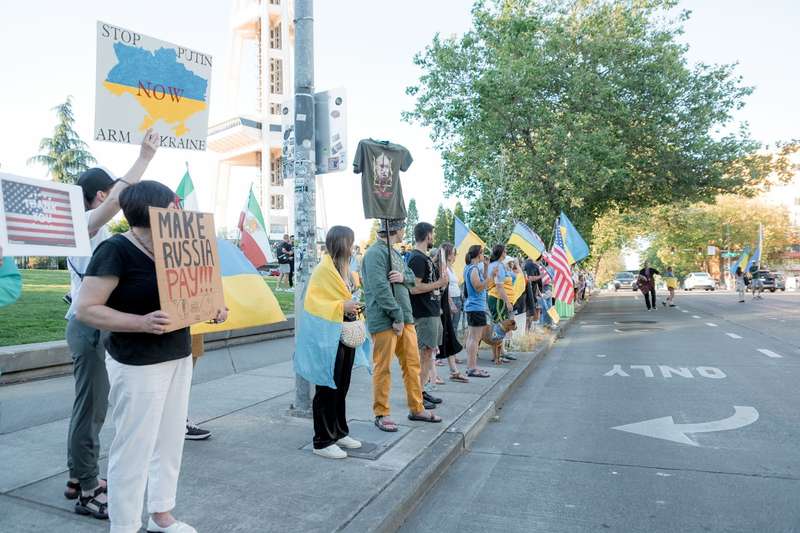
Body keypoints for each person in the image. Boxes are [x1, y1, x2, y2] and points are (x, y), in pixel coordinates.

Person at [76, 181, 227, 533]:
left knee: (170, 438)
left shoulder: (179, 246)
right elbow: (86, 308)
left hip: (177, 354)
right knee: (135, 446)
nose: (178, 210)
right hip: (137, 362)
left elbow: (191, 296)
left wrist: (212, 308)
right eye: (172, 205)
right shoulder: (116, 250)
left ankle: (161, 513)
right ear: (154, 213)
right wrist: (139, 323)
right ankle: (125, 525)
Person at [64, 130, 159, 518]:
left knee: (93, 405)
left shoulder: (92, 228)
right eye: (112, 197)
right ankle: (88, 489)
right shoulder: (83, 224)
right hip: (88, 328)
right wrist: (145, 158)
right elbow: (123, 196)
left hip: (87, 328)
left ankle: (77, 477)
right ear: (101, 196)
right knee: (91, 409)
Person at [294, 226, 370, 459]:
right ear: (342, 244)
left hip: (342, 334)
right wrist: (341, 306)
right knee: (328, 387)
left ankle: (338, 431)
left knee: (342, 385)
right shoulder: (323, 271)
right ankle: (322, 440)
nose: (353, 247)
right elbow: (313, 304)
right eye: (351, 243)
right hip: (327, 338)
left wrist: (350, 304)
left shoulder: (342, 270)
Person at [361, 218, 441, 432]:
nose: (405, 231)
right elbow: (379, 288)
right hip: (386, 320)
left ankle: (417, 408)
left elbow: (410, 278)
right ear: (396, 229)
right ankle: (382, 413)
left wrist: (401, 276)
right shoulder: (375, 254)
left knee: (412, 365)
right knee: (383, 367)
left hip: (406, 318)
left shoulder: (395, 252)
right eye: (403, 227)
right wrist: (395, 315)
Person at [407, 222, 448, 408]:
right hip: (423, 314)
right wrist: (438, 283)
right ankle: (417, 397)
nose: (434, 237)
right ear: (427, 235)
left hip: (430, 311)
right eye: (433, 234)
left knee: (428, 354)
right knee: (424, 355)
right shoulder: (417, 258)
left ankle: (421, 391)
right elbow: (414, 288)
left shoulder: (423, 257)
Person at [432, 243, 469, 383]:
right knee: (438, 338)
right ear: (448, 253)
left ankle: (454, 370)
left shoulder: (448, 267)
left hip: (446, 305)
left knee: (449, 336)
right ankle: (432, 374)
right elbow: (442, 287)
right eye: (454, 253)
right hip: (441, 305)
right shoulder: (441, 267)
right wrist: (450, 303)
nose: (455, 255)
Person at [463, 245, 491, 378]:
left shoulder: (470, 267)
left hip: (473, 307)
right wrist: (490, 278)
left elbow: (481, 281)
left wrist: (486, 267)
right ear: (477, 254)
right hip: (476, 307)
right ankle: (472, 368)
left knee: (471, 338)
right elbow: (479, 287)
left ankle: (471, 366)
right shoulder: (473, 268)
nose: (483, 256)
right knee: (475, 339)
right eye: (482, 253)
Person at [486, 245, 516, 361]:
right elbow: (499, 287)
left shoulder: (498, 265)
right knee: (499, 325)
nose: (506, 253)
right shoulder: (497, 266)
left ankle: (500, 352)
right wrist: (507, 302)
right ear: (501, 253)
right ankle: (498, 355)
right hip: (498, 299)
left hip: (498, 299)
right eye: (505, 251)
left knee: (499, 325)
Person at [523, 257, 543, 332]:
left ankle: (530, 329)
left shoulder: (526, 264)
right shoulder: (530, 265)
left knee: (532, 311)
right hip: (529, 292)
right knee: (531, 311)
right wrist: (540, 276)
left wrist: (539, 292)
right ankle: (528, 330)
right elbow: (530, 278)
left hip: (531, 291)